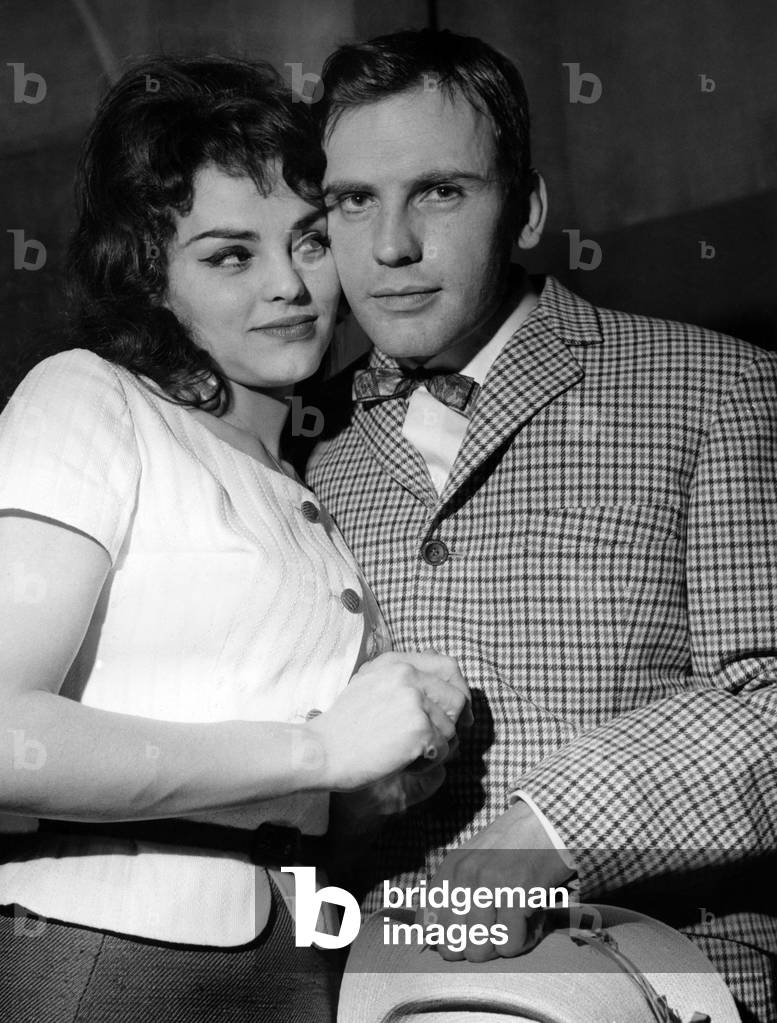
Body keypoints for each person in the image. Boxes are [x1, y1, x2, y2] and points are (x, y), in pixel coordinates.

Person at [303, 28, 777, 1022]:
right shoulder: (308, 448)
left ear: (527, 209)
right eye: (353, 200)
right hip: (364, 992)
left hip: (663, 982)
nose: (390, 245)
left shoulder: (719, 387)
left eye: (439, 191)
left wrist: (551, 834)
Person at [0, 55, 470, 1023]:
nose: (288, 287)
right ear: (150, 277)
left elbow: (302, 780)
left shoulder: (300, 480)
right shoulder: (90, 396)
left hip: (298, 958)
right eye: (228, 255)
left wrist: (385, 776)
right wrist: (316, 753)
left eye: (306, 241)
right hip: (104, 948)